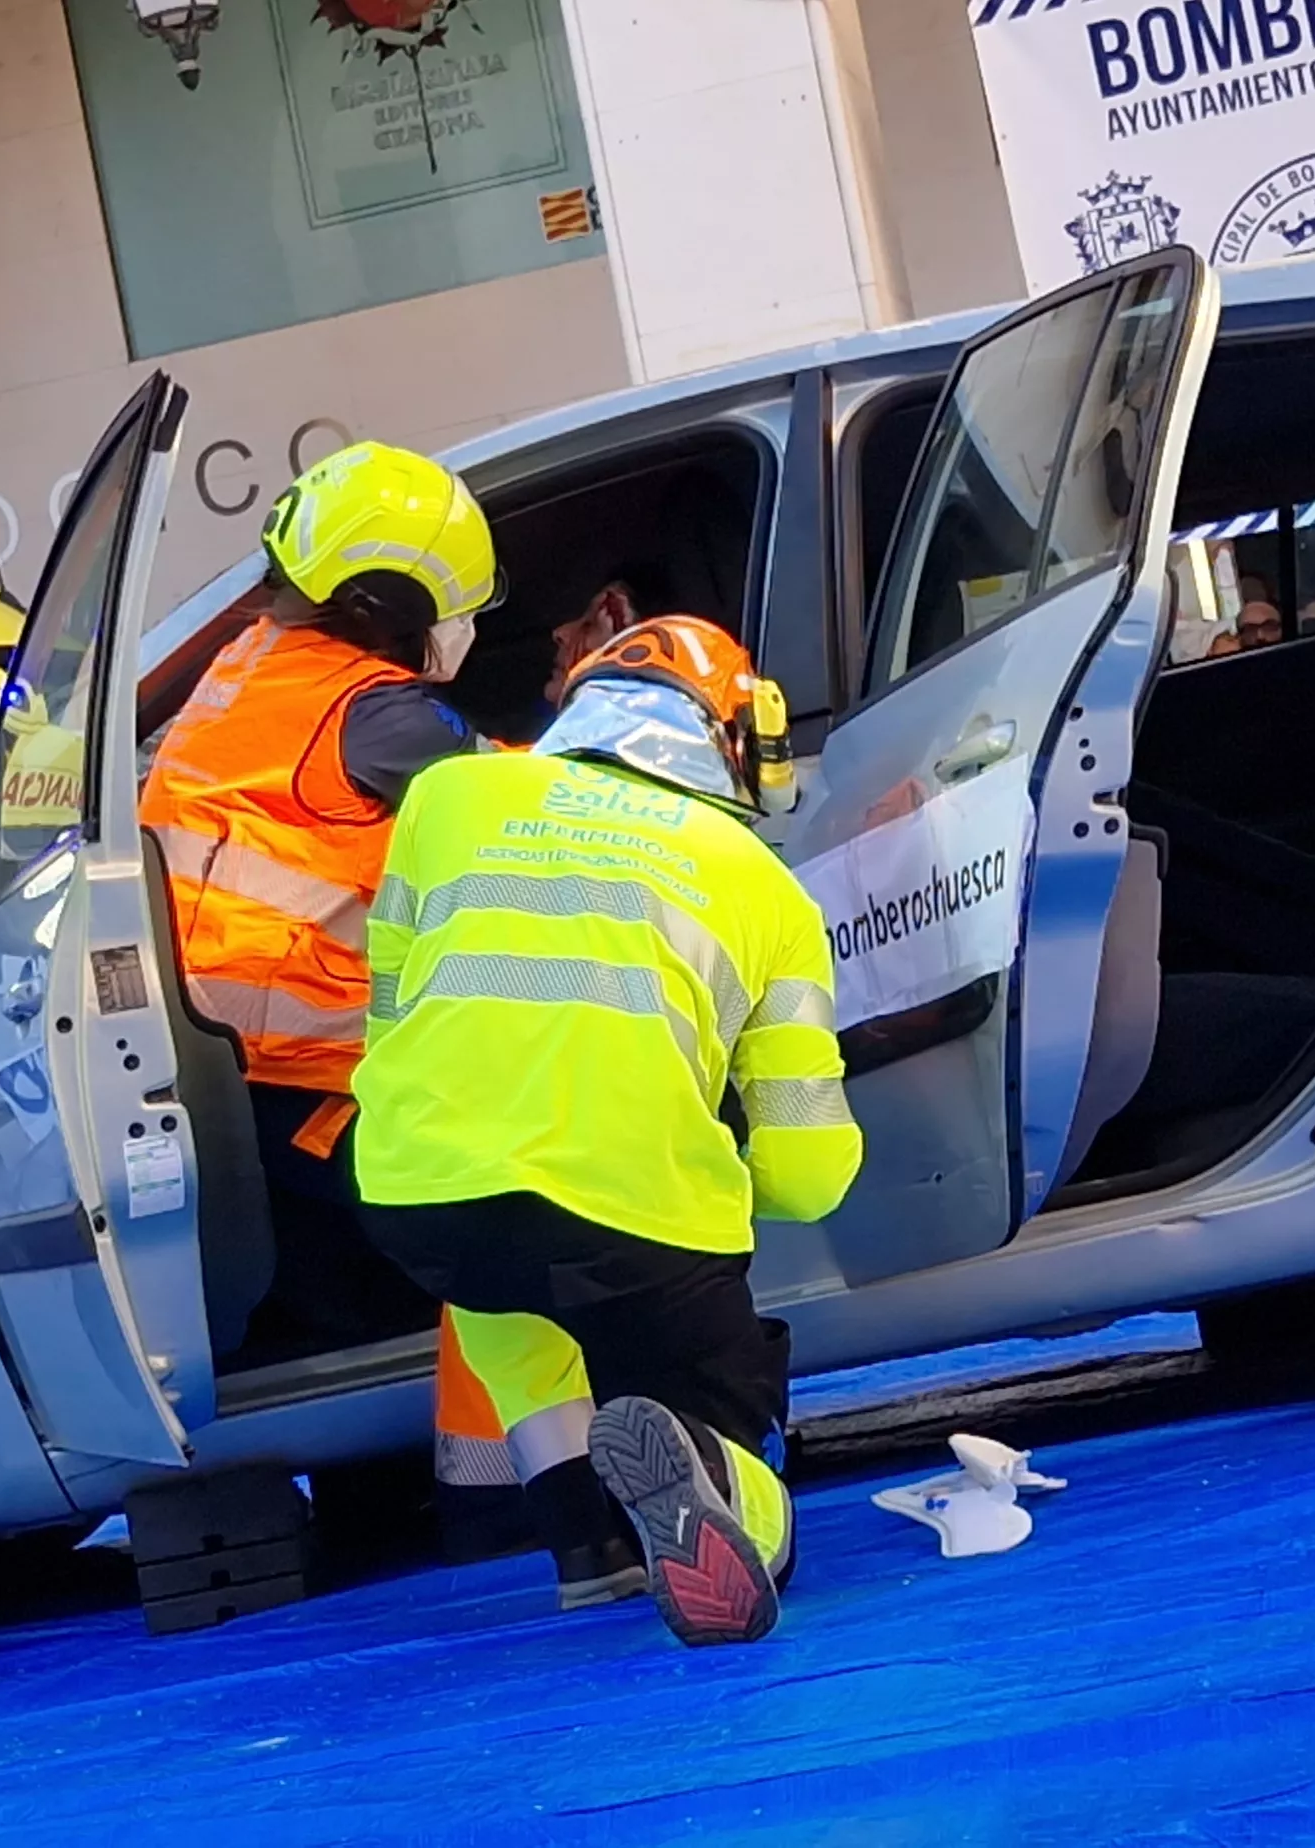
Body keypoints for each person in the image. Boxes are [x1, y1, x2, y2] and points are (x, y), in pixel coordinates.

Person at [353, 616, 862, 1647]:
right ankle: (727, 1486)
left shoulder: (447, 796)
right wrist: (708, 1160)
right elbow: (809, 1173)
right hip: (629, 1213)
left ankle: (585, 1541)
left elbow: (393, 1005)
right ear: (731, 740)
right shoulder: (761, 882)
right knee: (716, 1378)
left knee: (505, 1304)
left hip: (415, 1191)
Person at [140, 441, 497, 1358]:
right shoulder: (374, 713)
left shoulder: (253, 663)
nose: (465, 626)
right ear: (386, 606)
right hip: (307, 1083)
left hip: (229, 1073)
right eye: (452, 606)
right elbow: (522, 810)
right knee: (471, 1272)